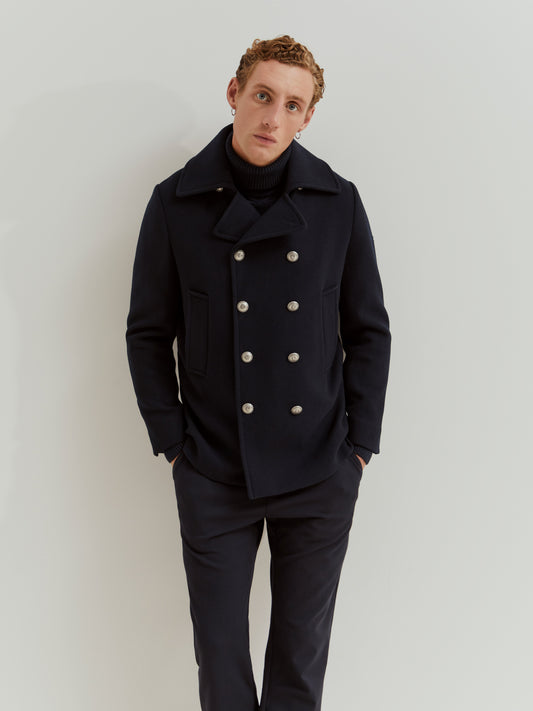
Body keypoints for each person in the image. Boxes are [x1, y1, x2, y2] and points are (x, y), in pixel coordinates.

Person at [126, 35, 391, 711]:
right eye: (263, 96)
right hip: (214, 466)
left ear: (308, 117)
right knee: (220, 661)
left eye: (292, 105)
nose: (273, 117)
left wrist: (358, 446)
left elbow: (368, 330)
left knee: (299, 661)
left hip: (319, 465)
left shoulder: (337, 202)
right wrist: (174, 443)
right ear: (234, 94)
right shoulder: (175, 203)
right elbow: (148, 333)